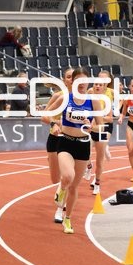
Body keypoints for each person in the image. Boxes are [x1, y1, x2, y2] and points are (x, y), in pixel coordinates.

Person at [45, 68, 101, 234]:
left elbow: (101, 126)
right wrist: (54, 124)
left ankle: (67, 219)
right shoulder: (65, 98)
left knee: (75, 186)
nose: (81, 84)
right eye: (78, 81)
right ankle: (61, 189)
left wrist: (92, 127)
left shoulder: (93, 101)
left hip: (83, 145)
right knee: (68, 176)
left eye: (84, 81)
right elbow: (47, 114)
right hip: (66, 142)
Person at [41, 67, 73, 224]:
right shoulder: (59, 96)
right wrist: (55, 123)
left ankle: (60, 209)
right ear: (64, 80)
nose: (72, 79)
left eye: (74, 76)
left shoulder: (84, 98)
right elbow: (44, 116)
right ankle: (61, 187)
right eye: (69, 77)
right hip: (55, 138)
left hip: (71, 140)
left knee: (67, 176)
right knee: (55, 179)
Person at [87, 69, 115, 196]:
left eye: (101, 84)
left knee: (100, 159)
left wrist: (98, 117)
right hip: (91, 127)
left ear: (105, 86)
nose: (97, 86)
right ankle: (88, 166)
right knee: (85, 153)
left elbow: (110, 118)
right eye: (96, 83)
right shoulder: (89, 93)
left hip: (103, 128)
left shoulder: (109, 95)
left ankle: (97, 183)